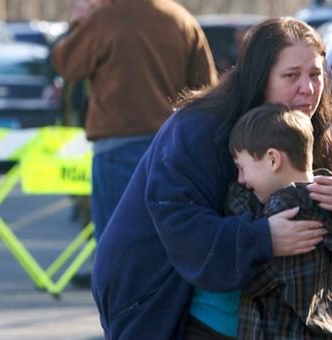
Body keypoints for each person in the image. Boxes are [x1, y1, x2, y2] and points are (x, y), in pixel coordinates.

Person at [92, 17, 332, 340]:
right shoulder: (198, 127)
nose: (308, 89)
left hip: (257, 322)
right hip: (161, 301)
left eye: (315, 74)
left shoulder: (312, 128)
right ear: (259, 77)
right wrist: (262, 239)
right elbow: (179, 221)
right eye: (291, 75)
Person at [50, 0, 217, 285]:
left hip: (118, 150)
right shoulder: (181, 20)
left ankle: (122, 325)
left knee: (118, 256)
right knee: (168, 249)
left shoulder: (105, 17)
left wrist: (79, 21)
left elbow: (66, 62)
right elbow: (207, 92)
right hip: (173, 152)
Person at [225, 104, 332, 340]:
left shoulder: (287, 211)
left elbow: (252, 280)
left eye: (241, 167)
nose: (241, 179)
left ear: (273, 160)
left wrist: (237, 209)